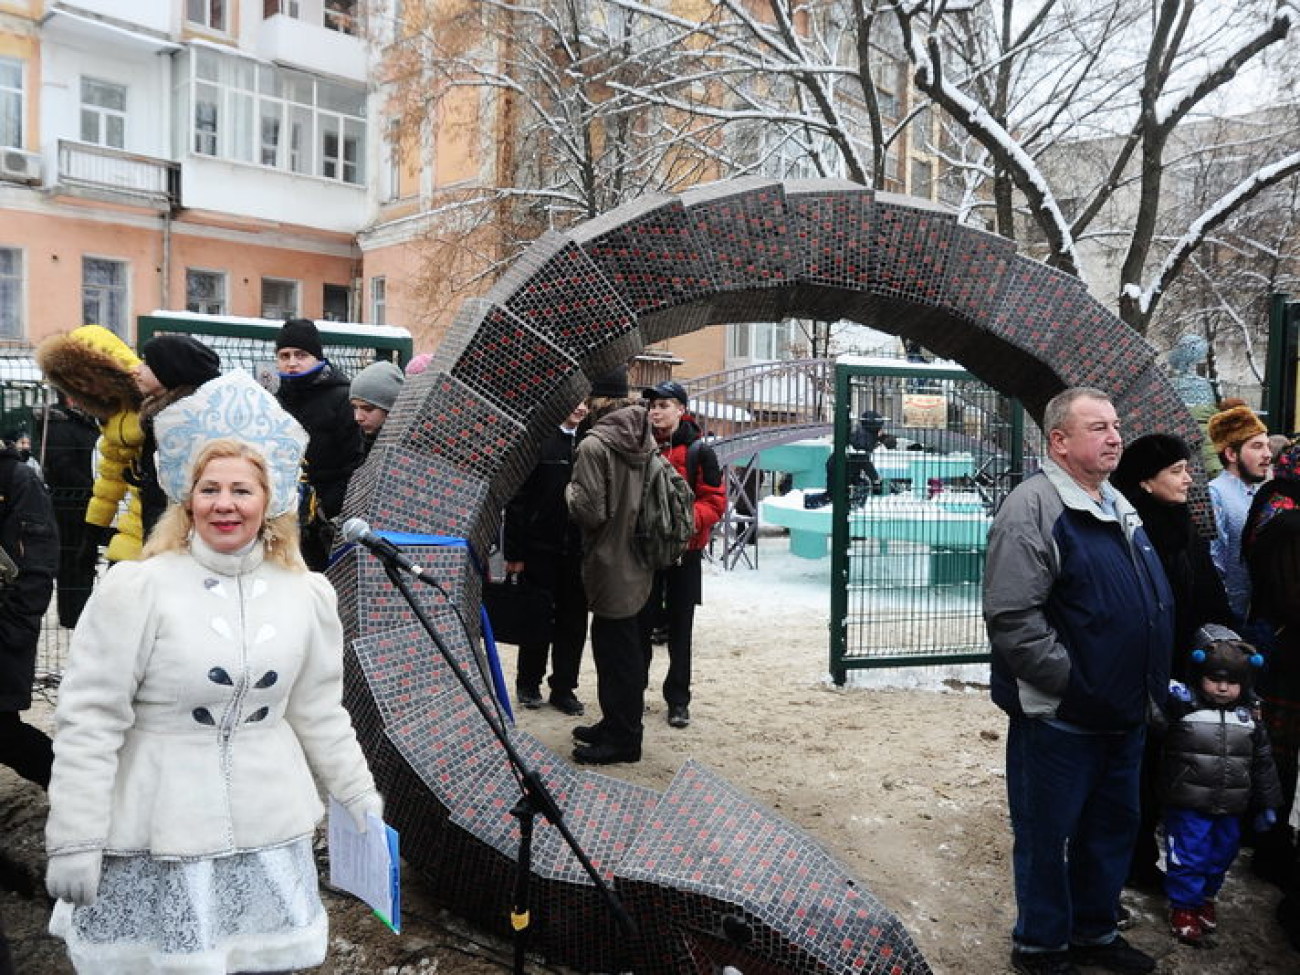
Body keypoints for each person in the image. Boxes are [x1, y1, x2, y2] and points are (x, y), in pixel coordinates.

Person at [44, 370, 382, 973]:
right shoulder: (137, 589)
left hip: (266, 832)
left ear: (269, 500)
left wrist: (358, 796)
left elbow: (319, 711)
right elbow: (90, 722)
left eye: (242, 490)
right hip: (157, 833)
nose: (225, 504)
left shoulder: (307, 595)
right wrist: (75, 837)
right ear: (188, 498)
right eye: (211, 489)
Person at [984, 386, 1172, 975]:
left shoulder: (1116, 502)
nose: (1115, 436)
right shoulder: (1033, 507)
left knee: (1111, 831)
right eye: (1099, 427)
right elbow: (1014, 618)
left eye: (1116, 426)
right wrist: (1072, 684)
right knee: (1048, 836)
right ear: (1059, 441)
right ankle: (1040, 945)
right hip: (1063, 718)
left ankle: (1093, 932)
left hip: (1122, 712)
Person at [1111, 433, 1234, 893]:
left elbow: (1204, 589)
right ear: (1145, 482)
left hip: (1182, 667)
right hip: (1141, 674)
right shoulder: (1129, 530)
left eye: (1187, 468)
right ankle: (1133, 860)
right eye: (1177, 471)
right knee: (1137, 771)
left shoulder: (1180, 522)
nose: (1188, 479)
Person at [1161, 630, 1282, 946]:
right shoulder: (1184, 707)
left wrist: (1268, 804)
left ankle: (1205, 898)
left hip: (1231, 806)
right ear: (1200, 675)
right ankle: (1184, 907)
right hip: (1189, 802)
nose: (1223, 687)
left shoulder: (1250, 718)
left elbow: (1263, 763)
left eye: (1232, 681)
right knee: (1189, 855)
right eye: (1215, 679)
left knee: (1222, 854)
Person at [565, 368, 656, 765]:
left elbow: (590, 510)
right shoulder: (643, 437)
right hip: (638, 557)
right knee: (627, 648)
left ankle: (623, 739)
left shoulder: (594, 446)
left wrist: (568, 490)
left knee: (613, 650)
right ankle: (617, 722)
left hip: (608, 557)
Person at [636, 380, 725, 729]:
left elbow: (715, 501)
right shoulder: (640, 447)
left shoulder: (700, 451)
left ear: (681, 410)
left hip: (684, 554)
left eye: (664, 405)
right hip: (646, 552)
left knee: (680, 629)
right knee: (640, 625)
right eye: (653, 406)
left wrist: (685, 525)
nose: (656, 412)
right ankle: (635, 691)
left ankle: (678, 699)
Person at [503, 400, 589, 716]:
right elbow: (518, 500)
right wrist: (514, 552)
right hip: (540, 547)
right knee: (536, 616)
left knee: (574, 621)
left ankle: (564, 687)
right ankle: (528, 683)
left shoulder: (589, 441)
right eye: (575, 401)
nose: (579, 408)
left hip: (578, 550)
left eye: (585, 402)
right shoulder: (539, 440)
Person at [36, 325, 146, 563]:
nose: (83, 388)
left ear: (107, 369)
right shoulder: (113, 415)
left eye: (86, 378)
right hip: (138, 521)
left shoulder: (153, 401)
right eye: (73, 383)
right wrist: (93, 529)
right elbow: (111, 476)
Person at [273, 318, 364, 569]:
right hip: (282, 515)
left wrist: (326, 506)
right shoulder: (274, 402)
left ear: (317, 357)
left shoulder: (342, 398)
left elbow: (353, 462)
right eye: (284, 355)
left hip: (328, 519)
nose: (292, 363)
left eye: (300, 355)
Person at [0, 433, 59, 792]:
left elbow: (39, 565)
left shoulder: (17, 480)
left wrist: (15, 628)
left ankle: (83, 792)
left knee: (4, 733)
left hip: (5, 628)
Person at [130, 333, 222, 538]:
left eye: (146, 363)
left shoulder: (185, 424)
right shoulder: (160, 416)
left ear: (170, 370)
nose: (136, 370)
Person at [35, 394, 99, 628]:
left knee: (83, 560)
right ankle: (74, 614)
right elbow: (61, 464)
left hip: (91, 501)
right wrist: (92, 488)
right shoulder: (59, 425)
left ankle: (81, 612)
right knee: (73, 560)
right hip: (71, 505)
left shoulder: (87, 422)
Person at [1206, 401, 1271, 622]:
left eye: (1267, 446)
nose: (1267, 454)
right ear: (1232, 454)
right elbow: (1213, 564)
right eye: (1257, 446)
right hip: (1232, 618)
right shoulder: (1215, 494)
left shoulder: (1260, 492)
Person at [349, 359, 405, 457]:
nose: (358, 417)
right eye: (354, 407)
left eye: (368, 409)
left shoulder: (409, 448)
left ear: (391, 409)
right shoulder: (362, 438)